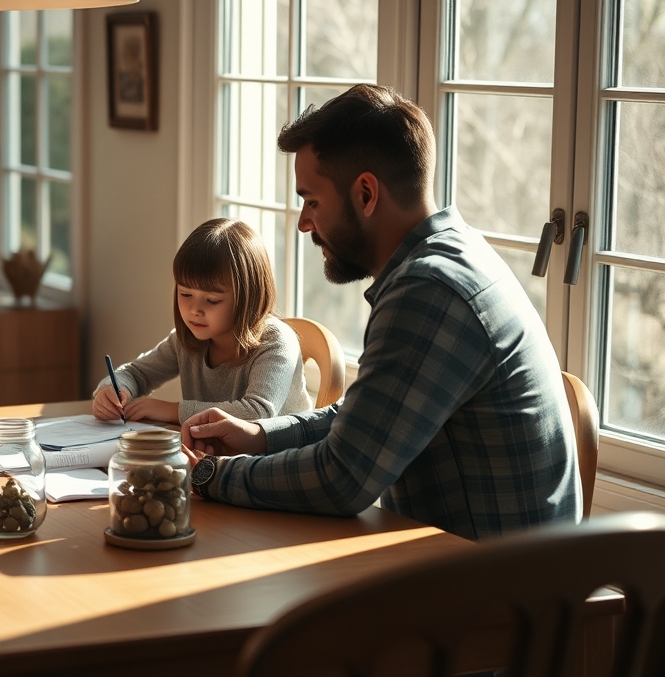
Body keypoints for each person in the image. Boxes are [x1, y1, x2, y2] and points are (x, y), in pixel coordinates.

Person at [182, 84, 580, 541]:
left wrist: (212, 475)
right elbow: (369, 417)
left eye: (311, 201)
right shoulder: (458, 253)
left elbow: (342, 479)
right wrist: (262, 435)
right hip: (501, 575)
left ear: (366, 193)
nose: (304, 223)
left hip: (496, 596)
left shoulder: (427, 290)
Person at [92, 217, 311, 424]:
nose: (195, 310)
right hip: (219, 456)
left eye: (212, 300)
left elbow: (257, 412)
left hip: (280, 459)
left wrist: (172, 410)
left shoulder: (276, 343)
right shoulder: (186, 340)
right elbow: (136, 373)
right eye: (185, 294)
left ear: (249, 297)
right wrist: (113, 389)